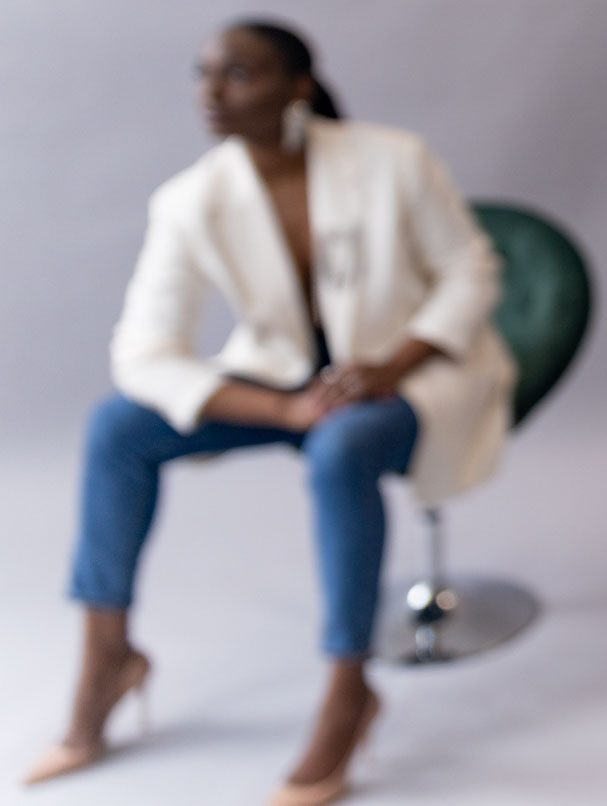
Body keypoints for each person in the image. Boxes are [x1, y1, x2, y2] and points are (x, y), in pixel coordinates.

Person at [25, 19, 513, 806]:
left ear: (296, 85)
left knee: (343, 447)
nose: (212, 94)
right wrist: (284, 408)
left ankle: (350, 687)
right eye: (204, 74)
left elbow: (473, 273)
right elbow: (143, 353)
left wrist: (392, 363)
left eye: (240, 75)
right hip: (291, 388)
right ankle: (107, 657)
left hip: (410, 378)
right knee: (118, 425)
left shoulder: (391, 161)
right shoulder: (192, 200)